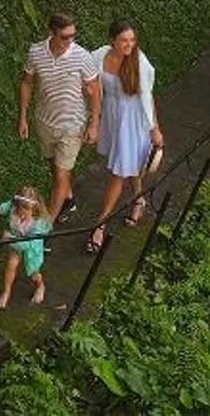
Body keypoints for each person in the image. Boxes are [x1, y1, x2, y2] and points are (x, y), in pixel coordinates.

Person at [17, 10, 100, 222]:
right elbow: (27, 82)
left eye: (73, 35)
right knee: (53, 166)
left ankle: (46, 227)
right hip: (45, 120)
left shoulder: (82, 56)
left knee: (61, 176)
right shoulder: (36, 52)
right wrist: (23, 117)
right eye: (65, 36)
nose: (69, 40)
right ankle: (67, 200)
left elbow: (95, 89)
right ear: (52, 32)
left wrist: (93, 124)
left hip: (72, 124)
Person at [88, 19, 161, 252]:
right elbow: (87, 78)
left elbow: (148, 97)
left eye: (132, 40)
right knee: (128, 164)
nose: (129, 44)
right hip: (112, 117)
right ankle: (139, 199)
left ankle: (100, 225)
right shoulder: (99, 56)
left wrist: (155, 129)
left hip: (133, 120)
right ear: (112, 41)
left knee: (119, 171)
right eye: (124, 40)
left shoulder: (139, 63)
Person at [0, 185, 51, 308]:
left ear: (34, 209)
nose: (21, 213)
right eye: (18, 208)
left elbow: (31, 244)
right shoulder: (14, 208)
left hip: (31, 250)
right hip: (16, 242)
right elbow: (7, 205)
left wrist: (10, 239)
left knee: (33, 273)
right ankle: (6, 291)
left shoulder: (38, 224)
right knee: (11, 265)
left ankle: (40, 286)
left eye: (25, 210)